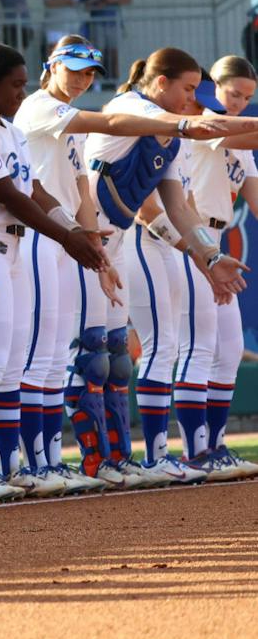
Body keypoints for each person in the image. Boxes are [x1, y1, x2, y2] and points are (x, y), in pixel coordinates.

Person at [78, 49, 249, 484]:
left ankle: (135, 458)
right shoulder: (130, 106)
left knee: (133, 353)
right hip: (85, 240)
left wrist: (210, 255)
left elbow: (179, 206)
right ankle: (142, 457)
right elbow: (120, 126)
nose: (194, 98)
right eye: (189, 89)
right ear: (159, 84)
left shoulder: (174, 136)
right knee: (99, 353)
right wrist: (184, 124)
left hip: (113, 245)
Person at [0, 44, 112, 499]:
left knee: (24, 363)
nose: (21, 92)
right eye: (15, 84)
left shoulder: (9, 129)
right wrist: (69, 237)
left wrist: (75, 229)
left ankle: (30, 464)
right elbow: (10, 196)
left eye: (24, 83)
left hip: (16, 246)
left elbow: (36, 189)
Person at [183, 57, 258, 479]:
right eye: (234, 94)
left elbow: (255, 194)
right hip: (192, 242)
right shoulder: (206, 122)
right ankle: (195, 451)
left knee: (228, 350)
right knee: (201, 349)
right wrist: (205, 255)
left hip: (217, 244)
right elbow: (243, 134)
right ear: (214, 86)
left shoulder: (235, 131)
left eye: (247, 97)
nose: (239, 103)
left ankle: (215, 444)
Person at [83, 0, 130, 76]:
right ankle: (97, 81)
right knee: (97, 53)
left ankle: (114, 79)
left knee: (113, 52)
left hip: (113, 22)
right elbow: (84, 5)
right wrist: (96, 3)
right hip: (97, 22)